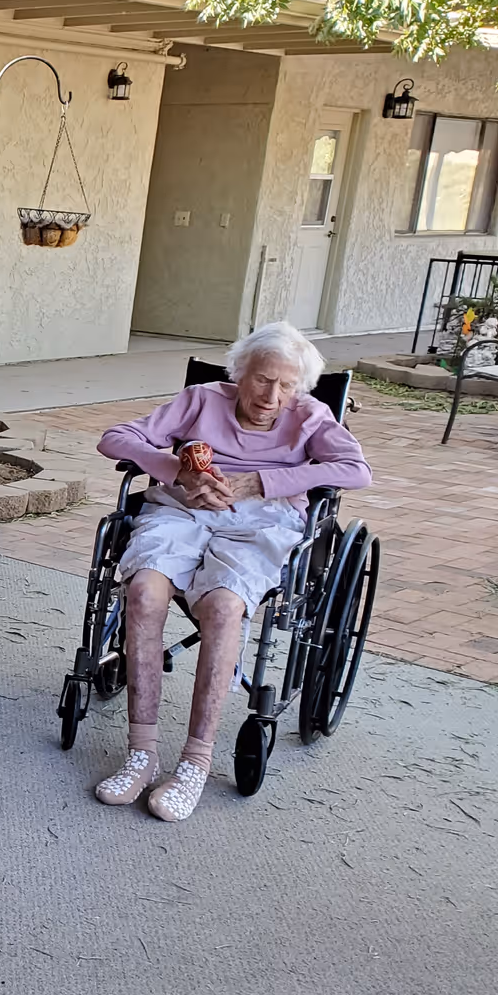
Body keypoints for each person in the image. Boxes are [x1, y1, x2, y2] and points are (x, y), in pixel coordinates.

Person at [93, 320, 370, 822]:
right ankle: (142, 752)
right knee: (144, 596)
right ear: (240, 374)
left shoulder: (311, 416)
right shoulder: (202, 399)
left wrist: (262, 483)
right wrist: (174, 469)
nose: (272, 395)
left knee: (223, 608)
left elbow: (356, 470)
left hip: (263, 521)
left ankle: (195, 762)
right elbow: (115, 438)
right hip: (181, 509)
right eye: (263, 379)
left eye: (287, 385)